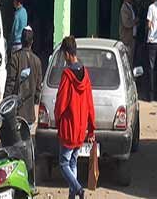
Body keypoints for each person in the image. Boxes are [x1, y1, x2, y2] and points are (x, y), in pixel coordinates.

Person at [54, 36, 96, 199]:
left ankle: (78, 189)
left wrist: (57, 120)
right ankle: (72, 197)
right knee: (73, 162)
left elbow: (61, 103)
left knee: (64, 163)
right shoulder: (85, 75)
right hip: (80, 129)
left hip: (68, 128)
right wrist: (91, 129)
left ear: (66, 53)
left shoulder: (66, 75)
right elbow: (90, 104)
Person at [3, 26, 42, 187]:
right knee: (27, 148)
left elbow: (10, 82)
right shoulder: (38, 61)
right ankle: (29, 182)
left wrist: (5, 102)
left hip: (15, 113)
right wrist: (35, 102)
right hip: (29, 115)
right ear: (32, 42)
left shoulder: (15, 58)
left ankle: (13, 179)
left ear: (21, 40)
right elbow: (38, 89)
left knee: (12, 147)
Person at [119, 0, 138, 65]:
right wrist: (135, 21)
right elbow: (126, 23)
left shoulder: (130, 7)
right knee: (127, 60)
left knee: (131, 60)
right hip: (126, 39)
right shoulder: (124, 8)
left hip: (132, 38)